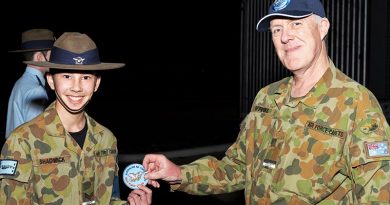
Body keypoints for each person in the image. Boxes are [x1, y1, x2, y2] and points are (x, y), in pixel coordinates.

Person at [142, 0, 390, 204]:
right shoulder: (267, 98)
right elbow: (237, 168)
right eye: (277, 29)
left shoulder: (356, 103)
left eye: (296, 24)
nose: (285, 37)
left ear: (322, 27)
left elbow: (377, 195)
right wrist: (177, 173)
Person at [0, 32, 152, 205]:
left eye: (86, 77)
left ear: (96, 83)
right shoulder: (22, 142)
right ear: (51, 80)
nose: (77, 87)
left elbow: (107, 199)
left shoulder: (106, 140)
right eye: (67, 76)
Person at [6, 28, 55, 138]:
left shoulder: (21, 83)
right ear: (39, 57)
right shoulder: (36, 90)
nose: (54, 59)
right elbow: (37, 137)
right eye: (51, 54)